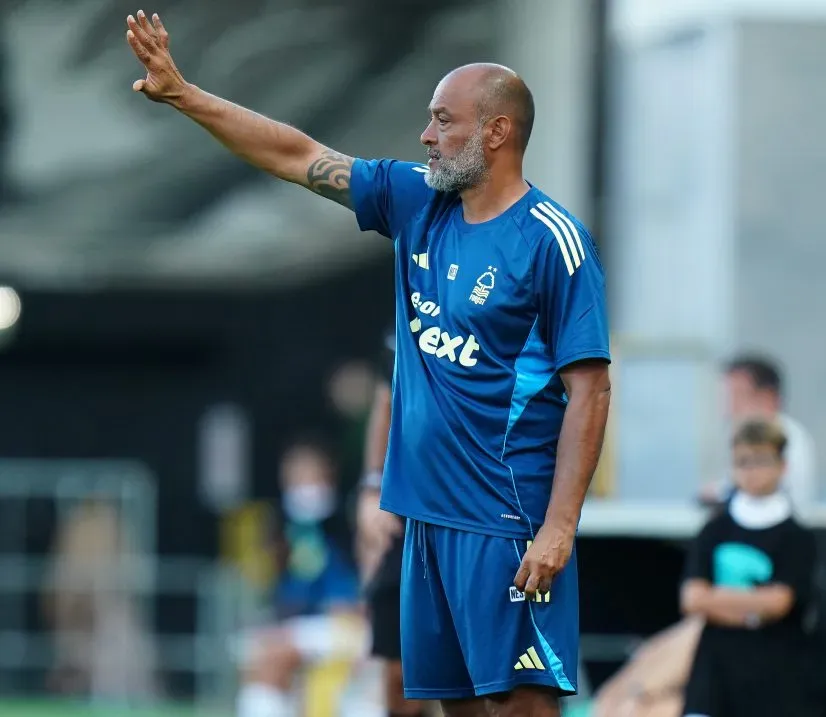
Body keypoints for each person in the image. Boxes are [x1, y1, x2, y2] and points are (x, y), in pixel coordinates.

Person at [124, 12, 612, 717]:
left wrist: (560, 524)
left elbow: (591, 389)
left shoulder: (551, 242)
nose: (426, 135)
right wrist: (184, 94)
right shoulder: (418, 201)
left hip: (507, 522)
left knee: (522, 708)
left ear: (496, 132)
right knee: (449, 708)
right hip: (424, 519)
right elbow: (299, 155)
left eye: (443, 120)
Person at [682, 418, 817, 717]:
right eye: (743, 462)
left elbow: (780, 601)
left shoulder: (797, 537)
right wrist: (754, 609)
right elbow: (693, 598)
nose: (751, 471)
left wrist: (717, 598)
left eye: (761, 461)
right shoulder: (714, 530)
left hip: (774, 678)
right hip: (714, 675)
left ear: (783, 466)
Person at [237, 438, 367, 717]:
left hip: (347, 625)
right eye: (296, 479)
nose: (304, 489)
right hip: (304, 625)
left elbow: (349, 600)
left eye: (311, 478)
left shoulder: (348, 526)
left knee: (270, 657)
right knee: (258, 662)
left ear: (329, 479)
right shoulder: (283, 530)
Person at [357, 332, 428, 717]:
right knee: (398, 674)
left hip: (478, 510)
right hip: (408, 517)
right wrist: (371, 487)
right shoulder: (411, 313)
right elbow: (386, 399)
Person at [702, 354, 816, 511]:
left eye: (737, 396)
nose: (729, 408)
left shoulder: (788, 437)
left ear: (768, 397)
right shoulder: (736, 436)